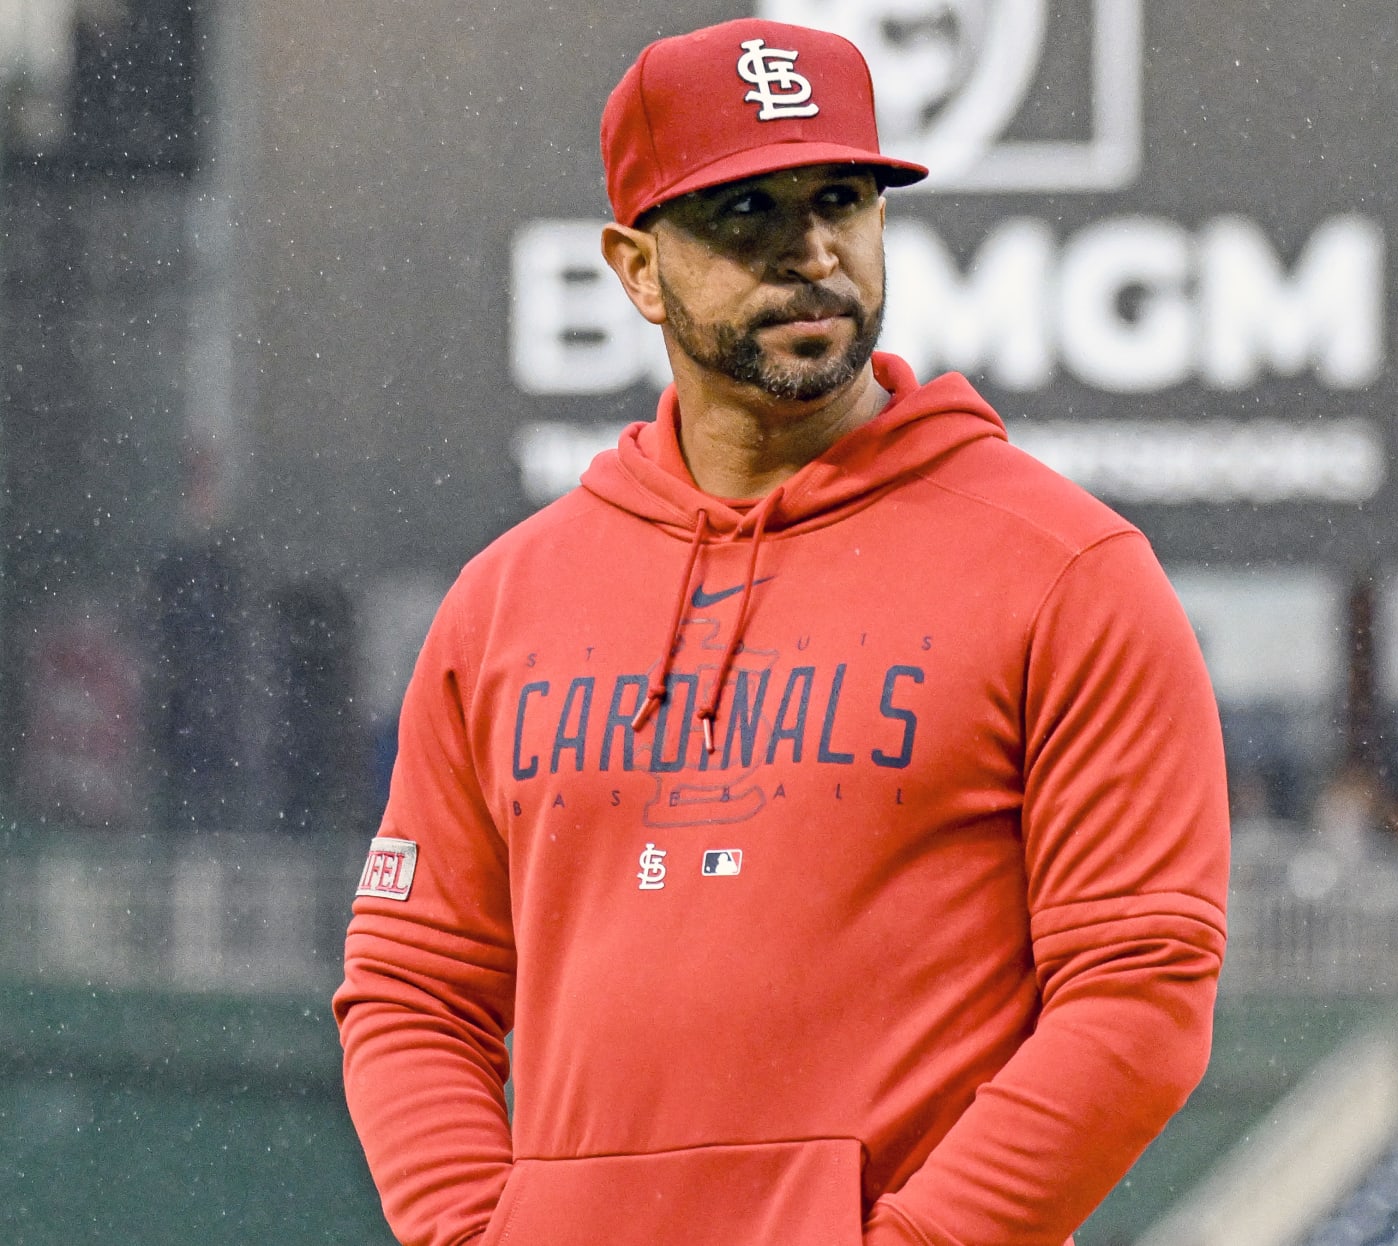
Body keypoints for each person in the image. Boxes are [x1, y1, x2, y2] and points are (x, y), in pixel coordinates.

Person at [334, 17, 1229, 1246]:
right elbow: (412, 989)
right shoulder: (504, 603)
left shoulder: (1069, 575)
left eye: (842, 200)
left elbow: (1141, 997)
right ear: (637, 268)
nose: (811, 251)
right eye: (745, 212)